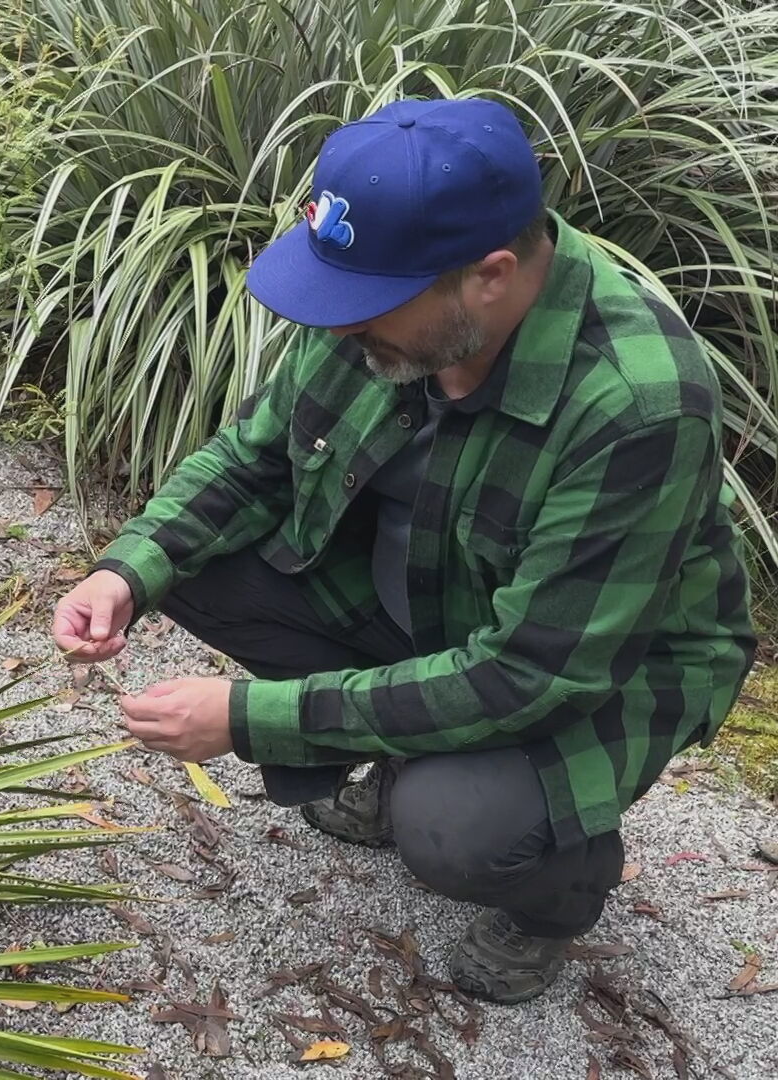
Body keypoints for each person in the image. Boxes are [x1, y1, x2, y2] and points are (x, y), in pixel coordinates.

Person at [50, 97, 758, 1004]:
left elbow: (531, 675)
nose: (339, 327)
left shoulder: (638, 404)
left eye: (370, 304)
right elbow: (254, 459)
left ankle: (559, 891)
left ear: (491, 276)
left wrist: (253, 716)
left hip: (592, 669)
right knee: (191, 567)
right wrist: (124, 570)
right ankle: (411, 743)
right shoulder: (388, 312)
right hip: (438, 602)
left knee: (455, 827)